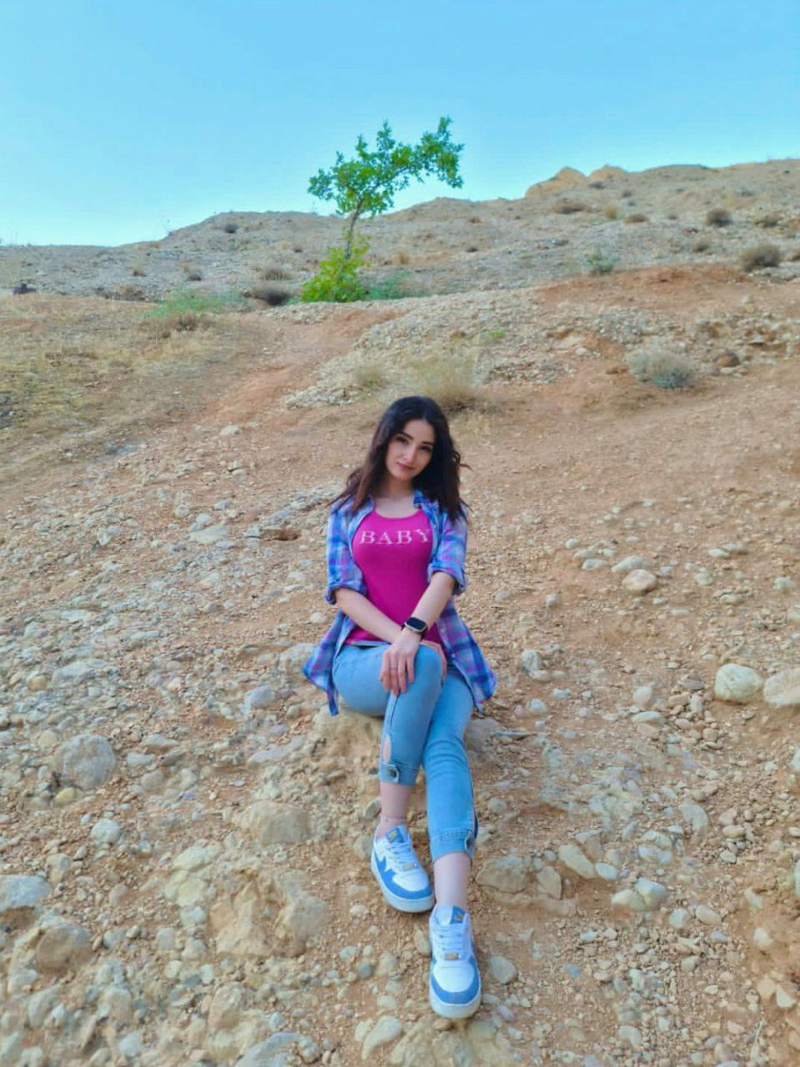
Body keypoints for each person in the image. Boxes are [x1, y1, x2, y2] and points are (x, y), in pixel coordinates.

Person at [303, 395, 496, 1019]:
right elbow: (343, 592)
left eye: (425, 448)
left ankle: (452, 919)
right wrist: (402, 641)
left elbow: (445, 575)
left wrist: (416, 634)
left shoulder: (444, 511)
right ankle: (389, 830)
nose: (411, 456)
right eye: (403, 441)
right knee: (424, 664)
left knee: (444, 741)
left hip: (442, 655)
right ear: (385, 437)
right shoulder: (348, 510)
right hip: (364, 657)